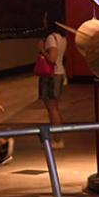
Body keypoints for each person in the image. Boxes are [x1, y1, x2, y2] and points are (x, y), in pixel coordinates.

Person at [38, 12, 67, 149]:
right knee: (54, 107)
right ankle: (57, 137)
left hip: (52, 75)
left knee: (52, 108)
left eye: (45, 18)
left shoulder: (51, 38)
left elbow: (52, 58)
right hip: (60, 73)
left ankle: (57, 139)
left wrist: (42, 50)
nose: (43, 20)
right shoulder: (62, 37)